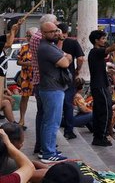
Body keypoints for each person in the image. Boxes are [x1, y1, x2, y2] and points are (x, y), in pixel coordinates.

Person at [37, 18, 72, 162]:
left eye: (56, 30)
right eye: (52, 32)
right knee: (52, 122)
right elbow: (64, 62)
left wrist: (65, 57)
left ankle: (46, 149)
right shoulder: (46, 47)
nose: (55, 33)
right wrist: (67, 58)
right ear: (43, 33)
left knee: (48, 121)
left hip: (51, 88)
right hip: (52, 89)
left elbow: (63, 58)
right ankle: (48, 153)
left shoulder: (51, 46)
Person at [15, 28, 35, 131]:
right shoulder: (24, 48)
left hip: (37, 76)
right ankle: (22, 119)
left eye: (30, 36)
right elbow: (18, 62)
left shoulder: (40, 47)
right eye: (27, 35)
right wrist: (26, 63)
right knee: (24, 98)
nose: (28, 37)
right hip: (26, 76)